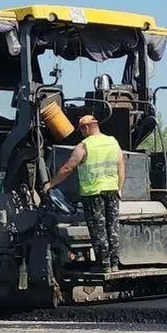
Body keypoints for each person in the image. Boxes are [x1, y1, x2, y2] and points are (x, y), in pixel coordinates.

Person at [42, 115, 125, 271]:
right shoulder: (112, 142)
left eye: (81, 129)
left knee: (98, 229)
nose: (81, 132)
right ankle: (114, 263)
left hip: (93, 193)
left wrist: (50, 184)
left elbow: (68, 168)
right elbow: (121, 166)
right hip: (112, 191)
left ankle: (104, 265)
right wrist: (119, 187)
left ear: (86, 127)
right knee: (112, 227)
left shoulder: (84, 145)